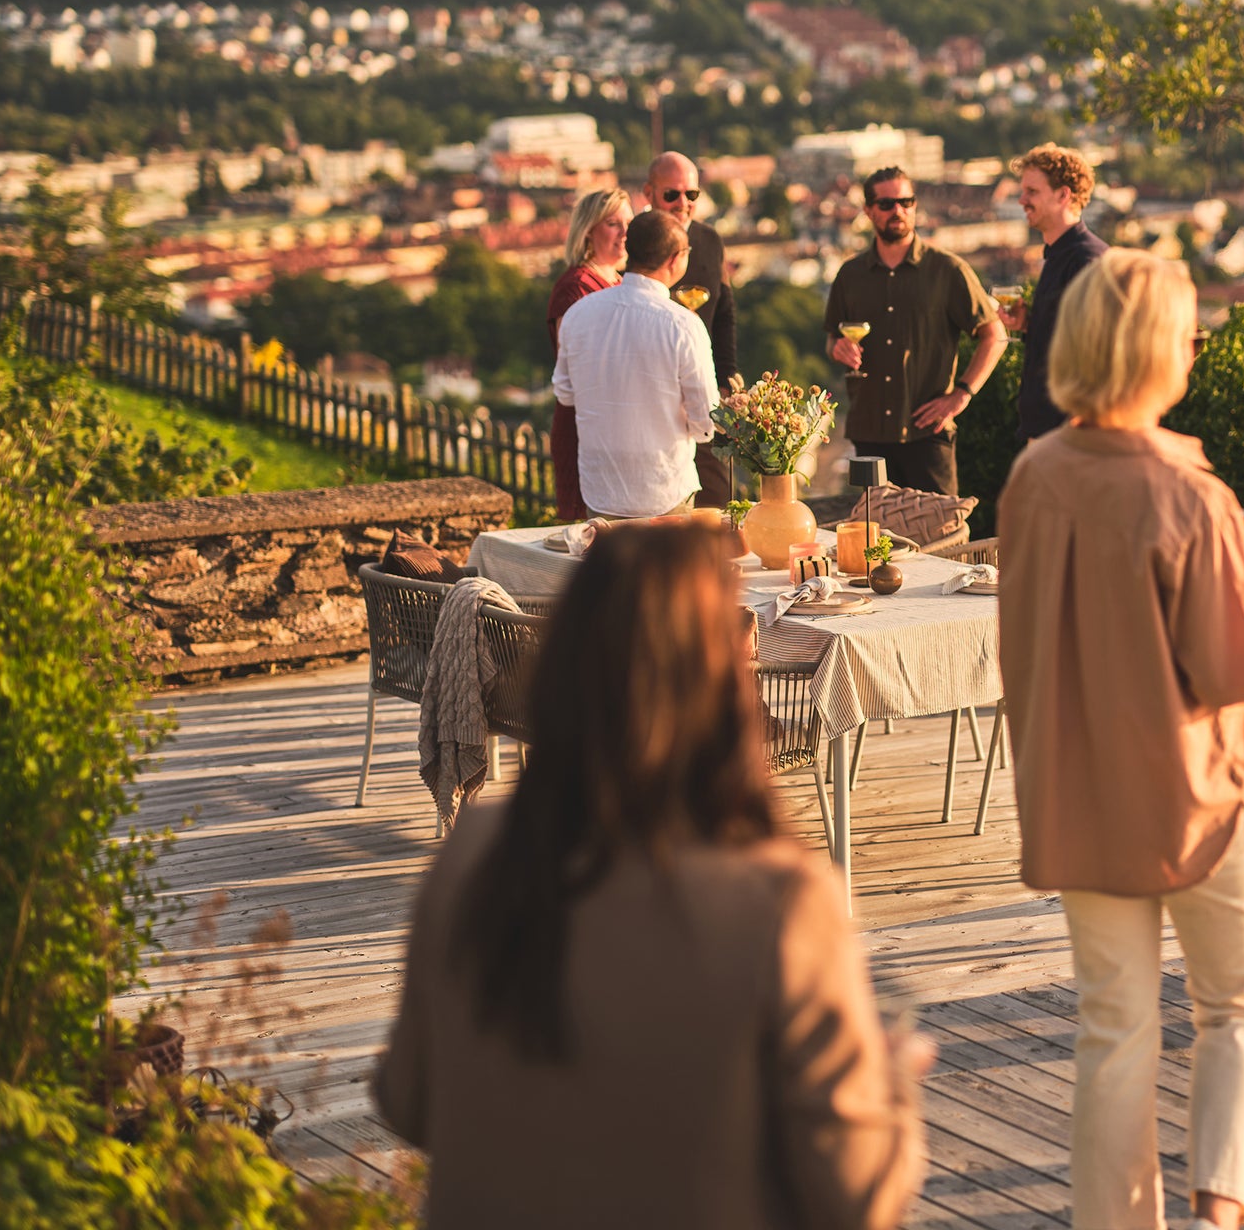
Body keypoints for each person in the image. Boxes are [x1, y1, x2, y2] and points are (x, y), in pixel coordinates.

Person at [375, 525, 925, 1226]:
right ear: (725, 679)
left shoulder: (473, 854)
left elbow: (407, 1100)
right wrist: (892, 1087)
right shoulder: (779, 902)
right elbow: (856, 1195)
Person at [998, 248, 1244, 1230]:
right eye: (1186, 333)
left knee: (1115, 1030)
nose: (1193, 347)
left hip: (1081, 787)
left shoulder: (1034, 475)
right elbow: (1235, 670)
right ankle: (1219, 1215)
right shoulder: (1193, 496)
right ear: (1153, 350)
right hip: (1204, 795)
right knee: (1238, 1008)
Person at [824, 167, 1007, 494]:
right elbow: (832, 339)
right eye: (887, 203)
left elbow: (994, 335)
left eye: (906, 202)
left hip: (927, 432)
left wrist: (962, 394)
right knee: (875, 540)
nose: (898, 210)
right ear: (868, 210)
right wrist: (837, 348)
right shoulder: (850, 275)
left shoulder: (948, 270)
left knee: (940, 538)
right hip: (870, 433)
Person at [551, 211, 719, 522]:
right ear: (675, 259)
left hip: (601, 489)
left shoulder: (578, 314)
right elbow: (706, 425)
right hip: (664, 489)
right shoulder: (683, 325)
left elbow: (564, 393)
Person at [646, 151, 739, 509]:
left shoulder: (709, 239)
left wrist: (729, 374)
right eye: (672, 194)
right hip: (658, 399)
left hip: (705, 391)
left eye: (692, 195)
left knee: (716, 501)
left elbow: (726, 311)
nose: (683, 203)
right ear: (649, 193)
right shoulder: (635, 242)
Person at [1003, 143, 1106, 445]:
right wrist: (1029, 324)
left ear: (1064, 195)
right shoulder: (1058, 256)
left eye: (1032, 192)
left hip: (1067, 438)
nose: (1022, 200)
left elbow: (1094, 356)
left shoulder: (1087, 261)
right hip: (1047, 435)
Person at [546, 187, 631, 521]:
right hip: (587, 430)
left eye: (629, 224)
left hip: (619, 428)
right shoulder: (576, 287)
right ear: (588, 231)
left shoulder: (621, 282)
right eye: (613, 224)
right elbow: (582, 370)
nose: (625, 233)